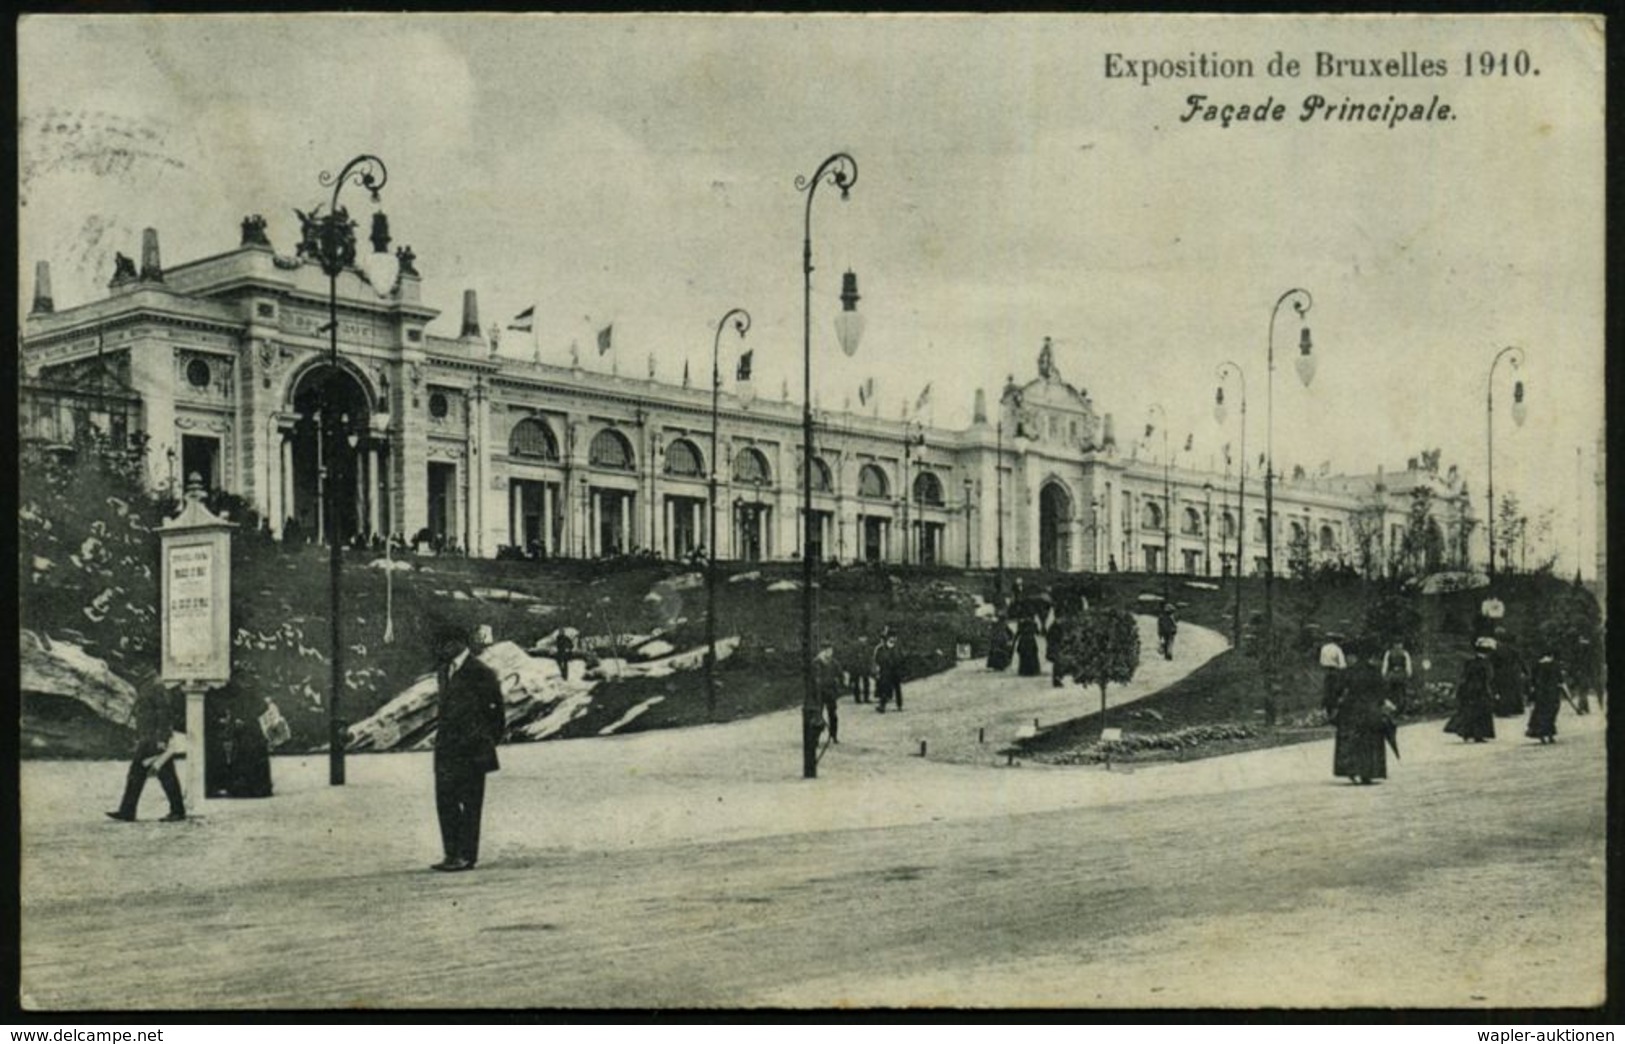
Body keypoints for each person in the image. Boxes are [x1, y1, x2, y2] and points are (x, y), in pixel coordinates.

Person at [431, 624, 506, 872]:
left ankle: (466, 856)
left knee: (470, 805)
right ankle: (451, 853)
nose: (441, 649)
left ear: (458, 643)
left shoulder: (481, 672)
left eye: (445, 644)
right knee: (445, 802)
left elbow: (496, 713)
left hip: (472, 750)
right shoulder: (444, 671)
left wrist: (484, 741)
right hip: (446, 750)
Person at [107, 673, 187, 823]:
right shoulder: (147, 684)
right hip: (148, 738)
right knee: (139, 774)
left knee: (164, 774)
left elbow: (164, 714)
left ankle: (177, 811)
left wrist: (162, 740)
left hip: (154, 739)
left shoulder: (156, 685)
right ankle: (127, 811)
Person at [1325, 658, 1390, 785]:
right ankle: (1369, 772)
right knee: (1370, 742)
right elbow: (1382, 690)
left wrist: (1334, 704)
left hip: (1352, 710)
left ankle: (1352, 770)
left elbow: (1337, 691)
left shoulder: (1348, 672)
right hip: (1371, 710)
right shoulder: (1374, 671)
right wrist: (1380, 704)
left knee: (1352, 741)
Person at [205, 679, 273, 799]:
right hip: (250, 728)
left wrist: (241, 718)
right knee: (249, 756)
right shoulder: (248, 689)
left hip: (247, 729)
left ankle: (245, 788)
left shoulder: (233, 691)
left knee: (245, 755)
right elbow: (262, 706)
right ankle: (256, 787)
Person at [1445, 638, 1497, 743]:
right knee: (1481, 712)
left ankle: (1467, 732)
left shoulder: (1470, 662)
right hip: (1481, 690)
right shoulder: (1486, 664)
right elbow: (1489, 678)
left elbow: (1464, 676)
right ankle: (1479, 734)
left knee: (1469, 711)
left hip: (1469, 689)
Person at [1525, 653, 1566, 744]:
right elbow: (1560, 680)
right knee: (1551, 713)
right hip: (1552, 692)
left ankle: (1541, 735)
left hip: (1541, 693)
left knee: (1541, 713)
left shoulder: (1537, 665)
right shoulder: (1555, 665)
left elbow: (1533, 680)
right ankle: (1550, 735)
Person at [815, 640, 843, 744]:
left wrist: (839, 683)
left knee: (833, 715)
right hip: (820, 692)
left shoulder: (834, 663)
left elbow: (840, 674)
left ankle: (833, 735)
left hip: (831, 692)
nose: (830, 652)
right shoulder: (817, 662)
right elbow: (814, 677)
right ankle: (816, 737)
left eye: (831, 650)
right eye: (827, 650)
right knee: (818, 715)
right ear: (822, 651)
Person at [1380, 639, 1413, 715]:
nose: (1398, 646)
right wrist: (1384, 674)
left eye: (1399, 644)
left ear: (1402, 645)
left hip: (1401, 674)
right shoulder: (1389, 653)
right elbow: (1385, 664)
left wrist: (1408, 673)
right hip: (1392, 675)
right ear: (1393, 645)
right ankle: (1393, 710)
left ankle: (1401, 710)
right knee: (1392, 692)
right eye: (1396, 644)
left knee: (1402, 692)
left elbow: (1408, 664)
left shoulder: (1404, 653)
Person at [875, 629, 905, 712]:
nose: (893, 639)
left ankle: (899, 705)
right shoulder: (882, 648)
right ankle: (882, 706)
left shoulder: (898, 648)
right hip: (886, 671)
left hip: (896, 671)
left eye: (894, 637)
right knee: (885, 688)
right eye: (891, 637)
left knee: (897, 688)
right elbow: (878, 658)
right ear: (888, 638)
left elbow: (901, 658)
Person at [1319, 634, 1348, 708]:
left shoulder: (1324, 648)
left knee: (1327, 689)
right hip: (1335, 671)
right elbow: (1342, 664)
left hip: (1325, 670)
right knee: (1334, 689)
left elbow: (1321, 661)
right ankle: (1333, 705)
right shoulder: (1337, 649)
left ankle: (1325, 705)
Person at [848, 633, 873, 703]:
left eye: (865, 638)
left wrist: (869, 665)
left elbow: (869, 656)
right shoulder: (855, 646)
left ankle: (865, 698)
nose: (864, 639)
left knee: (866, 682)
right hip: (857, 667)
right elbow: (852, 657)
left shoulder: (866, 646)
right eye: (863, 637)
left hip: (864, 666)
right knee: (857, 683)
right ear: (859, 638)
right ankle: (858, 698)